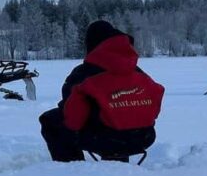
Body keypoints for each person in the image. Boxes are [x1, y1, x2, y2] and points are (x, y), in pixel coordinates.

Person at [39, 20, 165, 162]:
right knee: (117, 121)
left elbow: (72, 115)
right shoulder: (137, 72)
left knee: (51, 120)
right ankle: (118, 165)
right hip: (144, 137)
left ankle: (72, 169)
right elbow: (156, 94)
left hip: (108, 139)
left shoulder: (84, 74)